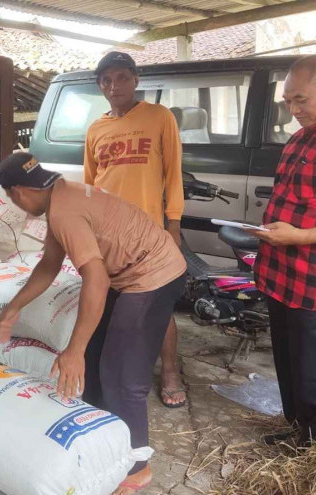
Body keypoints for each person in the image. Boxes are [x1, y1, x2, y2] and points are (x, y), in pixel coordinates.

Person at [0, 152, 186, 495]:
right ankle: (102, 441)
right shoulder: (60, 195)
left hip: (152, 275)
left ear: (19, 192)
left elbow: (95, 279)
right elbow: (50, 265)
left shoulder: (63, 210)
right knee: (97, 362)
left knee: (121, 373)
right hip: (127, 274)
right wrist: (13, 308)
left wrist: (74, 351)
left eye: (11, 197)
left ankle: (137, 467)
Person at [83, 51, 186, 409]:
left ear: (136, 79)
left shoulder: (159, 117)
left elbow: (174, 174)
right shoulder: (96, 129)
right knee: (111, 304)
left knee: (157, 305)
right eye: (107, 81)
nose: (115, 87)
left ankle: (170, 371)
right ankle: (115, 373)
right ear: (100, 86)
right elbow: (90, 185)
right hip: (108, 236)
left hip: (149, 235)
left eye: (122, 78)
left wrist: (173, 223)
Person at [247, 54, 316, 447]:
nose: (293, 110)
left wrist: (297, 237)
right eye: (287, 102)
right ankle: (297, 428)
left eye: (301, 100)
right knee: (288, 361)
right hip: (282, 274)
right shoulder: (300, 137)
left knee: (314, 371)